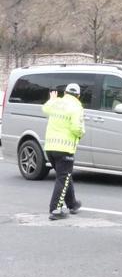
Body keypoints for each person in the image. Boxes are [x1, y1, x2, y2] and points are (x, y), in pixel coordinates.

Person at [43, 83, 85, 220]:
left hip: (50, 147)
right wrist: (81, 133)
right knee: (63, 177)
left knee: (65, 175)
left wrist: (52, 99)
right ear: (78, 96)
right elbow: (76, 128)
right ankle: (55, 209)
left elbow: (45, 108)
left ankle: (72, 204)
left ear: (65, 93)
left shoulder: (56, 103)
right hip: (64, 148)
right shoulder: (77, 107)